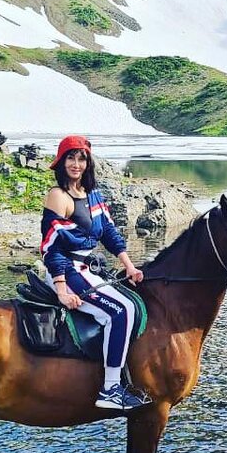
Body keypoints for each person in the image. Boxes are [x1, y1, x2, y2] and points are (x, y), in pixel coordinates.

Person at [40, 135, 149, 410]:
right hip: (65, 269)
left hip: (88, 269)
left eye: (81, 158)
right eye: (71, 157)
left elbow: (110, 233)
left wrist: (129, 265)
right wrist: (62, 290)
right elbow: (51, 249)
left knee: (132, 305)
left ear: (88, 164)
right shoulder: (58, 197)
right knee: (120, 311)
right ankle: (109, 389)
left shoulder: (93, 195)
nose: (76, 164)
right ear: (61, 161)